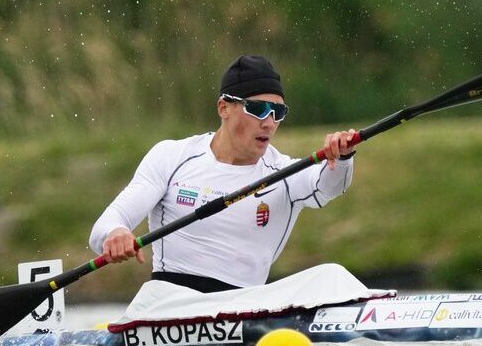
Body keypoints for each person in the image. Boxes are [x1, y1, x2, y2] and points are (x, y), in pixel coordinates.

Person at [90, 55, 357, 293]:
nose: (269, 122)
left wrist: (343, 156)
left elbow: (327, 185)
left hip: (242, 307)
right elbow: (105, 226)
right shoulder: (172, 157)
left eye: (278, 112)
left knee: (332, 274)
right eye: (258, 109)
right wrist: (116, 233)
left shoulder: (284, 173)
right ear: (223, 108)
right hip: (167, 304)